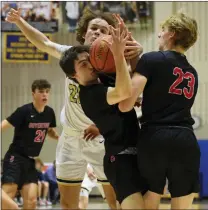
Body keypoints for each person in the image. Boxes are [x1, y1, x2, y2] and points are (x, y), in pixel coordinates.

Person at [6, 8, 143, 209]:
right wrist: (19, 21)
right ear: (84, 33)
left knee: (114, 201)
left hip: (101, 141)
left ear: (110, 38)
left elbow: (130, 97)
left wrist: (134, 54)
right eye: (93, 28)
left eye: (103, 30)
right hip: (71, 139)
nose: (97, 32)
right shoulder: (71, 55)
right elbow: (43, 42)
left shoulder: (114, 67)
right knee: (68, 203)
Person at [59, 15, 146, 209]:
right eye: (83, 64)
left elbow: (132, 83)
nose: (89, 65)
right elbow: (125, 91)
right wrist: (119, 54)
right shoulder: (91, 94)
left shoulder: (105, 79)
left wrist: (132, 49)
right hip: (119, 156)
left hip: (135, 152)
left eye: (89, 62)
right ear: (73, 75)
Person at [118, 12, 200, 209]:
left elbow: (125, 104)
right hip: (186, 139)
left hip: (155, 137)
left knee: (149, 201)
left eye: (162, 31)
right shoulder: (192, 72)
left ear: (171, 34)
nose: (159, 35)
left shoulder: (152, 59)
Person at [1, 79, 59, 209]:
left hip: (31, 161)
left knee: (32, 201)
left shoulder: (49, 113)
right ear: (33, 93)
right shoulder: (24, 111)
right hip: (15, 157)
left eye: (47, 92)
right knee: (8, 196)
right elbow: (3, 126)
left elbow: (49, 130)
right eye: (41, 92)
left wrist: (59, 138)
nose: (45, 95)